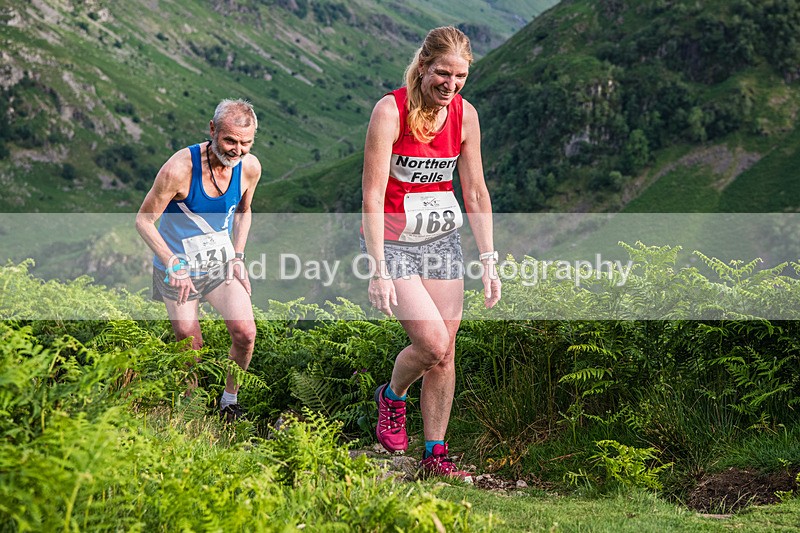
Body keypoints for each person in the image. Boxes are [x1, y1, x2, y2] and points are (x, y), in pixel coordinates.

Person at [361, 27, 501, 478]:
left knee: (447, 353)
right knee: (432, 342)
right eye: (443, 73)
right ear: (423, 66)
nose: (451, 84)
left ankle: (435, 455)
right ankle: (393, 395)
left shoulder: (466, 116)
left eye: (460, 76)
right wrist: (378, 269)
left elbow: (476, 192)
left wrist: (489, 259)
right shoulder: (390, 111)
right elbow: (371, 194)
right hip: (394, 239)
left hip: (440, 239)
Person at [135, 98, 261, 422]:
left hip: (219, 263)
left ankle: (229, 402)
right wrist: (172, 262)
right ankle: (191, 409)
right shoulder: (179, 169)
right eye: (229, 140)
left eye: (245, 143)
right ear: (212, 130)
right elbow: (143, 221)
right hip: (177, 267)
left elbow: (244, 213)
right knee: (191, 345)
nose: (236, 150)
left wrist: (238, 256)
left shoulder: (249, 168)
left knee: (246, 333)